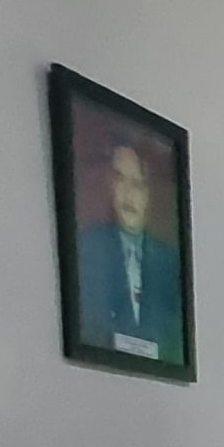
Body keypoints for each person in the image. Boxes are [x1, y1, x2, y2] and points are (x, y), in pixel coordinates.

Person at [76, 140, 184, 359]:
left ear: (149, 195)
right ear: (109, 186)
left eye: (137, 184)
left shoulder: (169, 262)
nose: (128, 193)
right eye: (120, 179)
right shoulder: (88, 247)